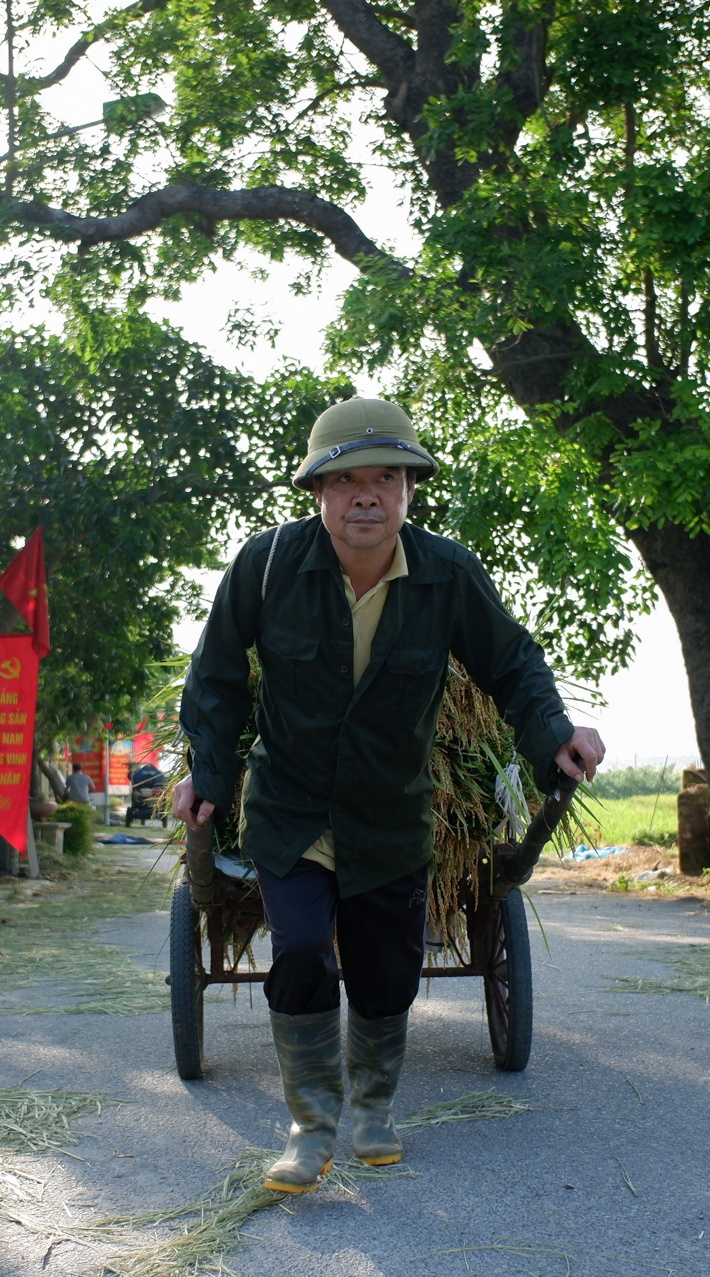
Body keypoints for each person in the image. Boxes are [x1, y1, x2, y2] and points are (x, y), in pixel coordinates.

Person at [175, 397, 605, 1194]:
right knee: (301, 950)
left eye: (384, 478)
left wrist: (556, 735)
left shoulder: (447, 574)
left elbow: (511, 663)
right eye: (346, 480)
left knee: (385, 974)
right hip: (291, 805)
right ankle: (311, 1124)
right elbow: (216, 676)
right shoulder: (266, 565)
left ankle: (373, 1106)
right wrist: (208, 767)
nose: (365, 495)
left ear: (410, 490)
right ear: (318, 494)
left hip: (391, 811)